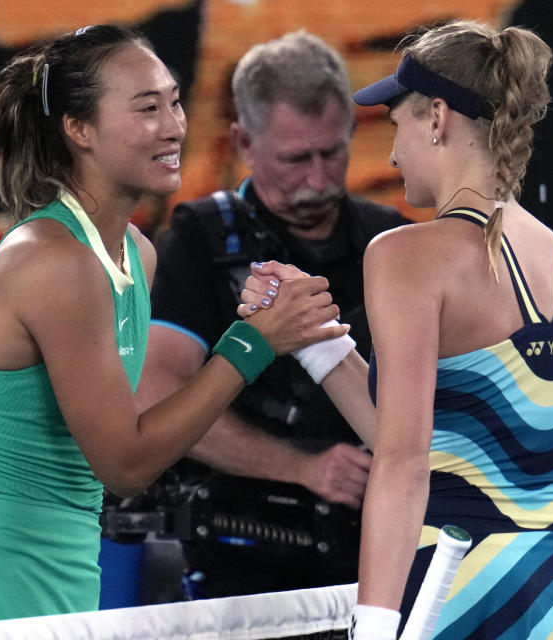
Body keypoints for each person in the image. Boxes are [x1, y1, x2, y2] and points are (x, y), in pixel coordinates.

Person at [0, 24, 346, 629]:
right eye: (147, 108)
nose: (174, 126)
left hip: (63, 593)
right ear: (79, 129)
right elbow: (126, 465)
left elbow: (128, 438)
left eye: (175, 101)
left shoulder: (135, 253)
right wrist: (254, 342)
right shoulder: (52, 261)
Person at [241, 19, 553, 640]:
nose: (392, 154)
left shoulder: (406, 254)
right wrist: (319, 342)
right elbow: (449, 447)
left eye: (395, 125)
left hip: (466, 608)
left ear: (437, 118)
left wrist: (371, 628)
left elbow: (403, 463)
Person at [137, 30, 408, 598]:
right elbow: (157, 396)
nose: (316, 179)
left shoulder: (392, 241)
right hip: (239, 564)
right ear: (241, 140)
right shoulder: (198, 241)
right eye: (294, 159)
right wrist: (300, 466)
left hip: (377, 562)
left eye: (331, 152)